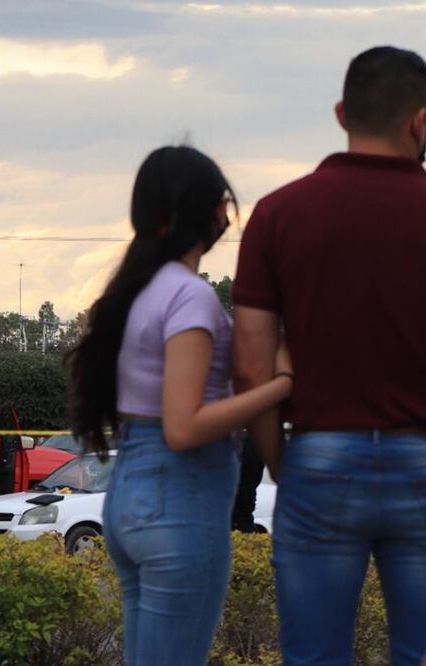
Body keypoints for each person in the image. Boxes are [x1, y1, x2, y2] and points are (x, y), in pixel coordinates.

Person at [233, 46, 426, 666]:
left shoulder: (278, 216)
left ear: (341, 113)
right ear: (421, 121)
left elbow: (251, 366)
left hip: (318, 455)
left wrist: (286, 461)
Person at [66, 145, 294, 666]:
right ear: (205, 213)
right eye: (224, 204)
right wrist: (281, 385)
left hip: (131, 497)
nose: (227, 217)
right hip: (180, 502)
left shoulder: (137, 292)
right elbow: (185, 426)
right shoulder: (189, 297)